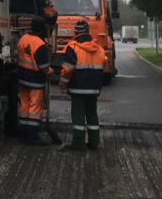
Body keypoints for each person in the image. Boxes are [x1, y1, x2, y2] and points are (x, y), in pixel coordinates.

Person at [59, 19, 107, 151]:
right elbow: (103, 66)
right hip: (94, 88)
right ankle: (94, 142)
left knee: (78, 115)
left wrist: (63, 85)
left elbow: (67, 70)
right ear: (88, 31)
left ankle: (78, 143)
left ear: (76, 32)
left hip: (78, 88)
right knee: (92, 114)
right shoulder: (99, 49)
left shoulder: (72, 48)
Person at [17, 16, 52, 144]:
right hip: (35, 81)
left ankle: (23, 134)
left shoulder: (23, 39)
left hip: (23, 79)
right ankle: (32, 137)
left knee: (24, 107)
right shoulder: (39, 44)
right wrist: (50, 71)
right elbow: (43, 66)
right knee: (34, 110)